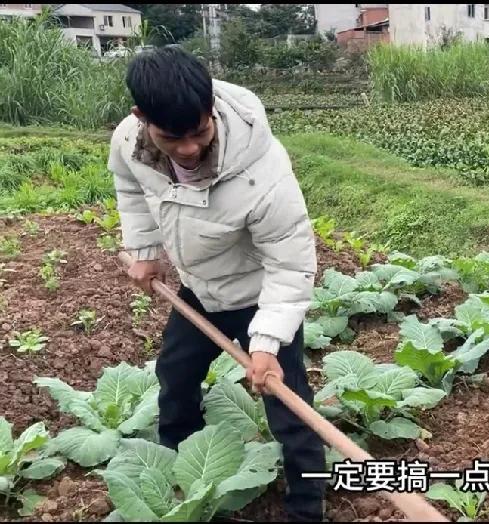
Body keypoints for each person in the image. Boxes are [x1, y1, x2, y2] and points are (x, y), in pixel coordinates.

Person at [107, 46, 325, 521]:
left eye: (199, 132)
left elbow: (290, 266)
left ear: (212, 108)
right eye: (172, 137)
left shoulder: (263, 174)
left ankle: (308, 509)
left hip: (259, 294)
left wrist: (266, 342)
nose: (188, 148)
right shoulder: (131, 142)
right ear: (141, 117)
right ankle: (181, 478)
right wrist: (144, 252)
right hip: (200, 290)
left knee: (290, 410)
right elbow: (129, 187)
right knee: (175, 376)